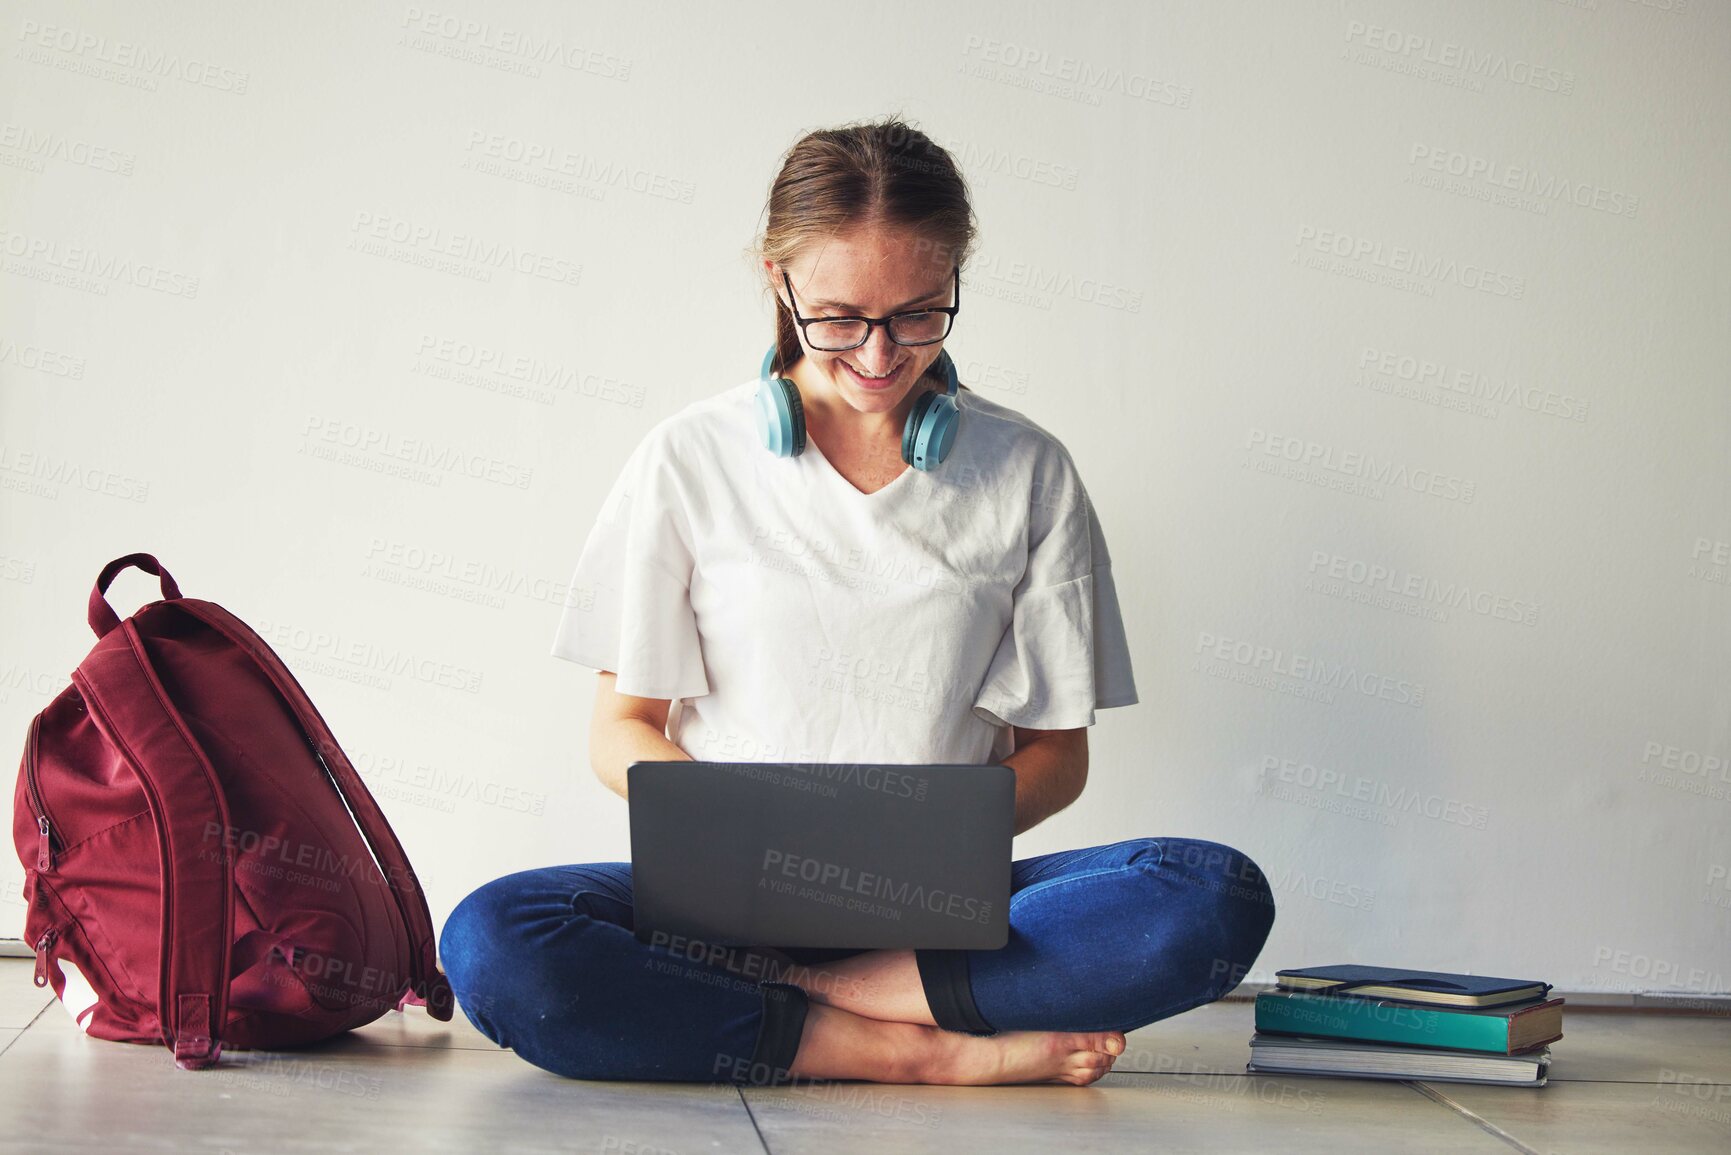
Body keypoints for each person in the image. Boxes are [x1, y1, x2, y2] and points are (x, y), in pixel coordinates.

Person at [439, 116, 1276, 1089]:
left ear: (956, 281)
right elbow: (622, 729)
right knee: (496, 943)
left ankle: (829, 994)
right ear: (777, 283)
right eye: (839, 319)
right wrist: (746, 831)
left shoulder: (1028, 470)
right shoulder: (687, 461)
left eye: (919, 314)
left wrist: (923, 845)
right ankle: (904, 1047)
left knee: (1209, 898)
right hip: (728, 902)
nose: (880, 356)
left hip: (939, 908)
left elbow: (1059, 755)